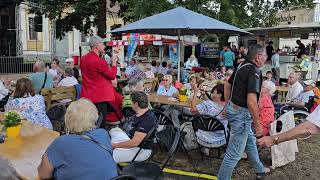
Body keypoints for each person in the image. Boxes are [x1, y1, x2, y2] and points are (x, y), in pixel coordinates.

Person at [218, 44, 269, 179]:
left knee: (250, 140)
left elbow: (227, 84)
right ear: (258, 57)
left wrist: (228, 104)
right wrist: (258, 125)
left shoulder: (242, 65)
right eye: (265, 55)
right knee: (233, 154)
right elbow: (251, 101)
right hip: (242, 114)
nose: (266, 58)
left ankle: (259, 170)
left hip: (234, 110)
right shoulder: (254, 71)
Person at [37, 99, 118, 180]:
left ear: (67, 118)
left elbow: (43, 175)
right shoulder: (103, 134)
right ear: (94, 116)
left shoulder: (61, 142)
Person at [80, 36, 118, 128]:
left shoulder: (83, 59)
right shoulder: (99, 61)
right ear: (97, 46)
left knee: (89, 122)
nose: (104, 46)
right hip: (100, 97)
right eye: (102, 44)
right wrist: (113, 64)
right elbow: (112, 76)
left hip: (87, 95)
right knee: (100, 123)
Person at [111, 91, 157, 163]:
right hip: (128, 141)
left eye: (131, 102)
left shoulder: (147, 119)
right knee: (112, 132)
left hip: (140, 150)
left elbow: (135, 142)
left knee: (109, 156)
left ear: (136, 104)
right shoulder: (139, 113)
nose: (130, 104)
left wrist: (115, 145)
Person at [191, 84, 228, 155]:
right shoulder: (229, 107)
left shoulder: (208, 104)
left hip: (203, 138)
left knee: (189, 123)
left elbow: (192, 110)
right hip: (220, 139)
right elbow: (212, 105)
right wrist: (204, 95)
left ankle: (205, 147)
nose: (212, 93)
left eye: (213, 91)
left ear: (220, 94)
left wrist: (195, 92)